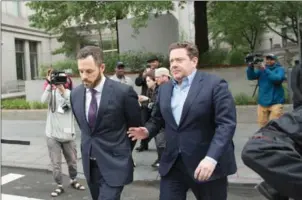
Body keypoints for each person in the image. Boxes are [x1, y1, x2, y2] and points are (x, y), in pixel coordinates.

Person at [128, 41, 237, 200]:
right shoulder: (165, 89)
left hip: (205, 165)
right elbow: (157, 119)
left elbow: (226, 125)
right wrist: (147, 130)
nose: (174, 65)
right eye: (172, 61)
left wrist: (211, 158)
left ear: (194, 61)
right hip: (173, 164)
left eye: (179, 60)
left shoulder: (214, 85)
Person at [70, 46, 141, 200]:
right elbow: (85, 128)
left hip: (115, 163)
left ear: (102, 67)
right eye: (81, 71)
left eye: (89, 71)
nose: (84, 76)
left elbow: (134, 128)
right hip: (90, 165)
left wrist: (121, 149)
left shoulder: (123, 92)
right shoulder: (75, 94)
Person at [41, 70, 85, 197]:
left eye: (62, 80)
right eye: (57, 80)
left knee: (72, 161)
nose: (59, 83)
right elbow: (43, 100)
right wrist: (50, 85)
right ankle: (59, 185)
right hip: (52, 135)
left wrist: (62, 90)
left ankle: (73, 180)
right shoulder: (51, 93)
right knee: (56, 163)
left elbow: (73, 105)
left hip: (68, 135)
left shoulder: (71, 94)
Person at [246, 54, 286, 127]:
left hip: (276, 102)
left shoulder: (280, 69)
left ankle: (274, 137)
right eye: (267, 59)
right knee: (262, 125)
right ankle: (264, 138)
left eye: (271, 59)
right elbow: (251, 77)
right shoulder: (262, 70)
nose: (269, 61)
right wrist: (250, 66)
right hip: (262, 102)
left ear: (275, 60)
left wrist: (265, 69)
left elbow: (277, 79)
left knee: (274, 125)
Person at [135, 56, 160, 152]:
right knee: (144, 122)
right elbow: (138, 82)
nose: (152, 64)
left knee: (156, 122)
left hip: (154, 100)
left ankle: (159, 146)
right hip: (145, 101)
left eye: (154, 62)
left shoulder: (161, 72)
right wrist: (143, 75)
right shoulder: (145, 71)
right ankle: (143, 144)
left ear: (158, 62)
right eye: (150, 62)